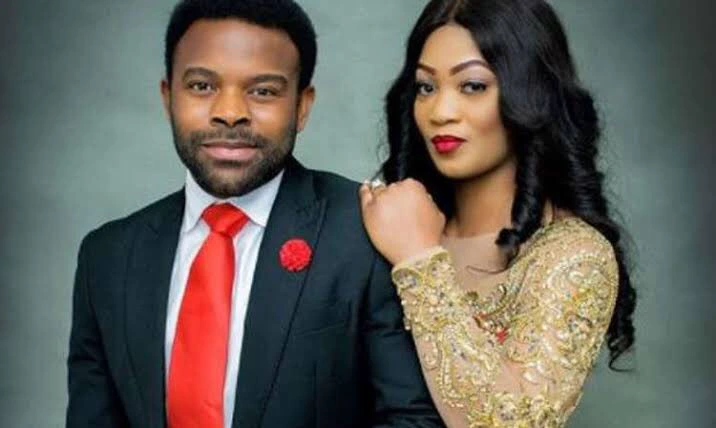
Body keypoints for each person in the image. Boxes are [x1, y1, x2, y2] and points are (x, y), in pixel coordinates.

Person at [66, 1, 443, 427]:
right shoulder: (108, 258)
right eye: (202, 86)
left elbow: (414, 420)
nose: (230, 113)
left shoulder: (366, 231)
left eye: (263, 91)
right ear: (168, 97)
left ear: (302, 106)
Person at [360, 0, 637, 426]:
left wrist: (419, 260)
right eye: (426, 87)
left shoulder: (572, 256)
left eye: (472, 86)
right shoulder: (385, 224)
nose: (440, 112)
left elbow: (511, 423)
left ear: (531, 95)